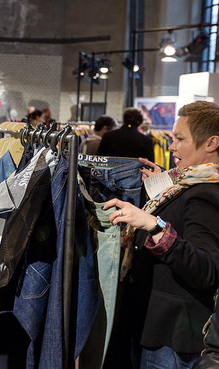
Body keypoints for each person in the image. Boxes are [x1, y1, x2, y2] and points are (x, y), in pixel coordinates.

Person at [102, 101, 219, 368]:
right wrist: (163, 188)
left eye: (179, 139)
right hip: (155, 327)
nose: (171, 146)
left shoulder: (205, 194)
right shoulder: (188, 183)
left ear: (211, 143)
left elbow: (206, 269)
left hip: (171, 338)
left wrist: (153, 226)